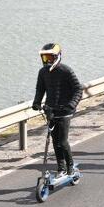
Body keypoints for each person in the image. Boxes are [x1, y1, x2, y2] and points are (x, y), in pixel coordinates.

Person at [32, 43, 82, 176]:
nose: (47, 60)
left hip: (65, 111)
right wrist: (36, 103)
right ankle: (61, 167)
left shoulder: (66, 70)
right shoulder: (42, 72)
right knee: (54, 141)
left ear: (57, 56)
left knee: (63, 141)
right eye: (44, 58)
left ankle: (70, 165)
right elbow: (40, 89)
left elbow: (78, 89)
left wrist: (72, 104)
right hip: (51, 110)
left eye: (49, 57)